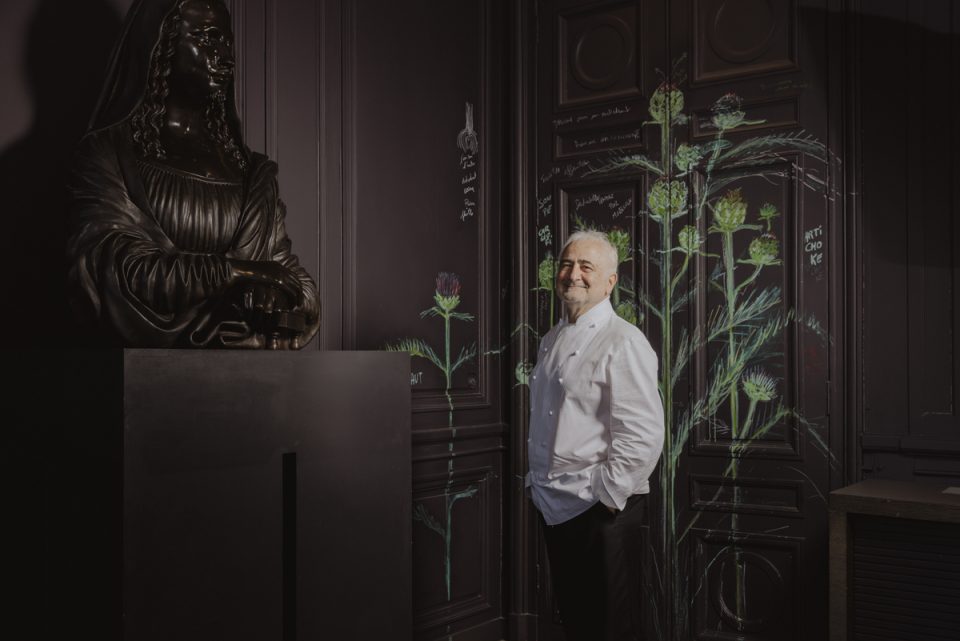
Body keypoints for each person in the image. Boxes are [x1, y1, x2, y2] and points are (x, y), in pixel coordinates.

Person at [67, 0, 319, 348]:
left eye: (226, 42)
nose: (225, 57)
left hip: (246, 384)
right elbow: (107, 269)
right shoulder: (109, 155)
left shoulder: (249, 172)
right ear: (161, 45)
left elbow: (293, 281)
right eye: (206, 38)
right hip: (137, 379)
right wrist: (238, 274)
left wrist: (277, 296)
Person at [526, 230, 665, 641]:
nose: (573, 274)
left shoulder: (624, 341)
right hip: (555, 505)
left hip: (600, 510)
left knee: (608, 628)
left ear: (610, 281)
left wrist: (605, 496)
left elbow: (643, 434)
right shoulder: (550, 340)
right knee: (577, 622)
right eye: (567, 265)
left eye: (587, 266)